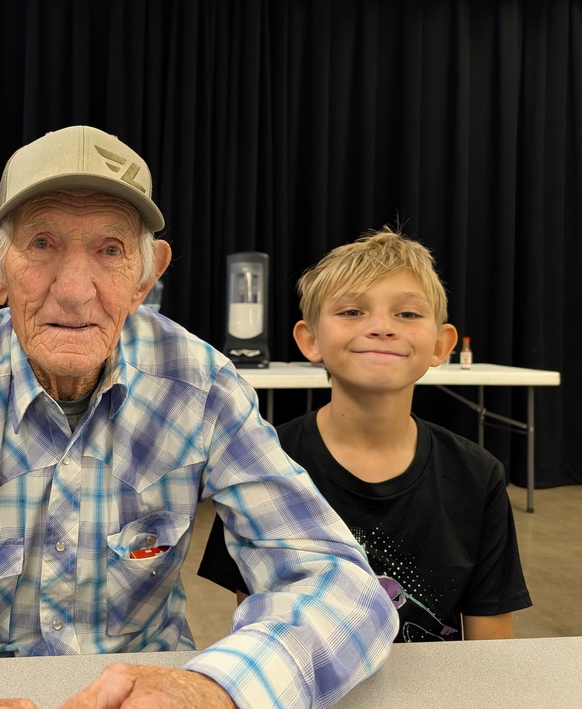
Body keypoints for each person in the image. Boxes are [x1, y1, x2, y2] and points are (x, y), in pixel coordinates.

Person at [0, 125, 397, 708]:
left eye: (111, 250)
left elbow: (340, 584)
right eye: (43, 243)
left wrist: (216, 687)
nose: (75, 289)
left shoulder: (199, 386)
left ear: (146, 275)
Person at [198, 227, 532, 642]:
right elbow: (257, 624)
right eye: (352, 312)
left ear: (440, 345)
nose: (381, 327)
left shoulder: (478, 476)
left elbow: (490, 651)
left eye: (407, 314)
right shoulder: (263, 464)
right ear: (310, 339)